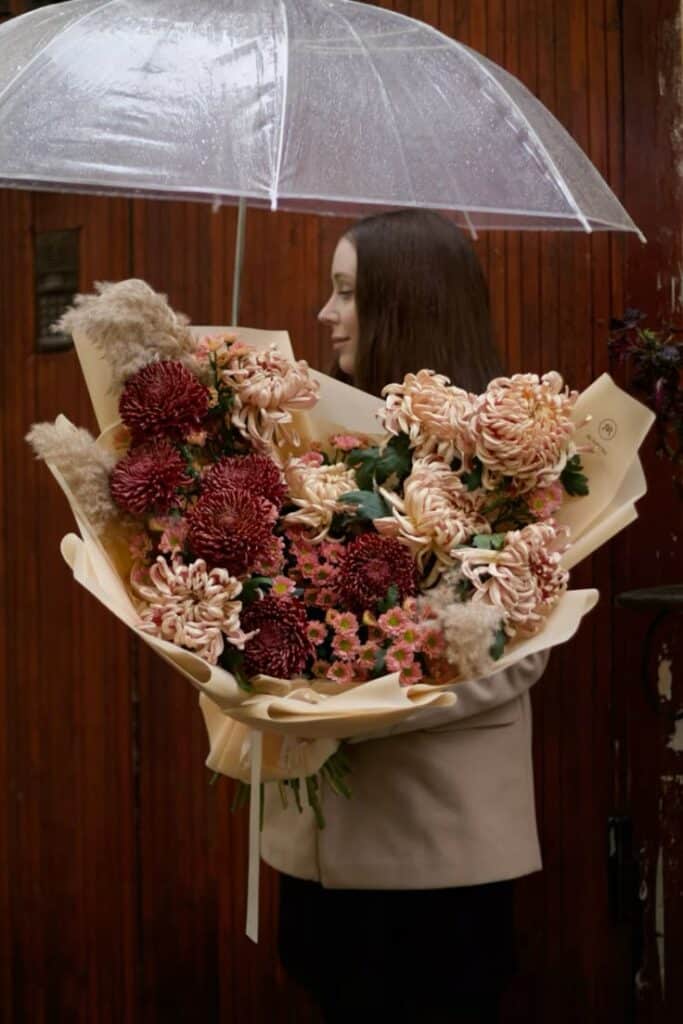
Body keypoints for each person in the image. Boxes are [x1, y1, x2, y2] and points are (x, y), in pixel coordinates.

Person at [261, 210, 550, 1024]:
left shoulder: (505, 453)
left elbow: (516, 652)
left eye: (347, 292)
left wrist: (346, 700)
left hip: (434, 859)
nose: (325, 312)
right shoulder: (319, 443)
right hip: (318, 848)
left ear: (407, 302)